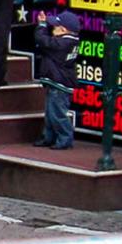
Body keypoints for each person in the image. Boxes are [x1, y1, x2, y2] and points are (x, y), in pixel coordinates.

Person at [31, 10, 81, 150]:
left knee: (57, 114)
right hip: (57, 83)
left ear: (63, 30)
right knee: (50, 113)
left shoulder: (62, 44)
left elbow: (42, 40)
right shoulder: (71, 41)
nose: (52, 28)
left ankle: (65, 139)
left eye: (54, 27)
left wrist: (41, 25)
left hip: (60, 85)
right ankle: (48, 137)